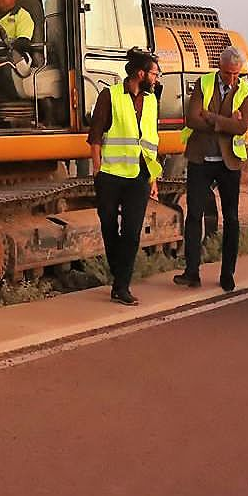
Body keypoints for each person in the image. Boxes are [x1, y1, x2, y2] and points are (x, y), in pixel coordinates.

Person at [176, 45, 248, 292]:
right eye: (228, 73)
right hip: (201, 159)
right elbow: (192, 118)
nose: (232, 79)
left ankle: (227, 274)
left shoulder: (246, 90)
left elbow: (243, 127)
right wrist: (228, 122)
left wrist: (212, 118)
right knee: (194, 216)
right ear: (219, 68)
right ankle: (192, 272)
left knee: (231, 218)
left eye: (236, 74)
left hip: (229, 163)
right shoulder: (204, 83)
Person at [88, 47, 163, 305]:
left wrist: (153, 179)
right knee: (109, 227)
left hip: (139, 176)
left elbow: (151, 142)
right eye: (154, 73)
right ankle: (119, 277)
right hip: (109, 175)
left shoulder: (152, 101)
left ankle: (122, 285)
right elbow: (95, 135)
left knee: (131, 232)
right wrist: (97, 169)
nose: (157, 78)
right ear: (140, 74)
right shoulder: (110, 96)